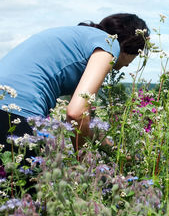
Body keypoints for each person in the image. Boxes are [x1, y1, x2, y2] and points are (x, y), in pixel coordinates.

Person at [0, 13, 149, 157]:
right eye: (137, 55)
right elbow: (76, 114)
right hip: (18, 110)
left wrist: (116, 153)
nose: (130, 65)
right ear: (132, 45)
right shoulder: (109, 44)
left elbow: (84, 121)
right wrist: (84, 163)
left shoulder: (81, 40)